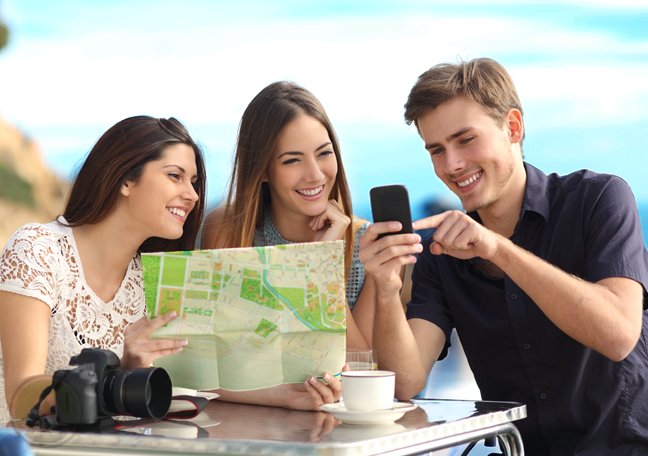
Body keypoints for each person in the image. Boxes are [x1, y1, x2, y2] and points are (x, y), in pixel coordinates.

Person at [359, 58, 648, 455]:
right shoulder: (441, 255)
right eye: (437, 150)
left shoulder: (599, 200)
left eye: (465, 140)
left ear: (512, 127)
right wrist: (388, 289)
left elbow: (618, 335)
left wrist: (498, 248)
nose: (452, 165)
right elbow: (406, 383)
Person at [0, 116, 207, 422]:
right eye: (175, 176)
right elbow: (21, 396)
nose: (192, 194)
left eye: (193, 181)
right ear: (125, 180)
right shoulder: (38, 249)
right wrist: (117, 376)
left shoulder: (155, 280)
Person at [200, 81, 374, 408]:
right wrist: (283, 397)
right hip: (244, 425)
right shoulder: (227, 229)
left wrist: (320, 266)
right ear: (263, 170)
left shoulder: (365, 243)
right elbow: (209, 363)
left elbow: (363, 365)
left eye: (324, 154)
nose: (315, 174)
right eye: (292, 160)